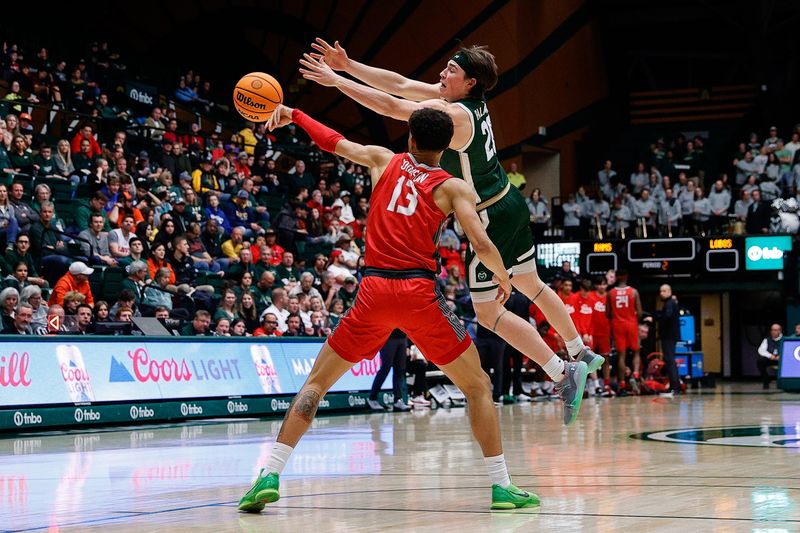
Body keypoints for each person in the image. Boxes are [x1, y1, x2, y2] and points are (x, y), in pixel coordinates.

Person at [239, 105, 547, 512]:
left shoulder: (383, 160)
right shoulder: (454, 187)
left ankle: (270, 473)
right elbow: (482, 244)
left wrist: (295, 114)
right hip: (418, 293)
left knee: (315, 384)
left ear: (411, 139)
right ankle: (502, 486)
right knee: (477, 387)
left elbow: (333, 141)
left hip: (373, 291)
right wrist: (503, 277)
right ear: (447, 146)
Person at [303, 40, 601, 396]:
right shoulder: (464, 102)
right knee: (532, 284)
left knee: (489, 313)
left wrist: (336, 81)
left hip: (490, 215)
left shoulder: (456, 115)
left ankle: (562, 373)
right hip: (509, 201)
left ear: (470, 81)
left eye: (451, 71)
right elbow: (399, 84)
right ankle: (579, 349)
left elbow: (394, 105)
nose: (442, 74)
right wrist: (348, 65)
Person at [608, 271, 642, 393]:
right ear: (627, 277)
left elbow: (607, 313)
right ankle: (636, 374)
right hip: (631, 323)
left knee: (621, 356)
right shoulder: (633, 292)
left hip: (618, 325)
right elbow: (640, 312)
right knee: (636, 351)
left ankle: (622, 383)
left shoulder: (611, 293)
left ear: (616, 278)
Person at [367, 330, 411, 412]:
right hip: (387, 337)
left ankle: (398, 400)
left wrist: (407, 344)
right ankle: (372, 398)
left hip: (402, 337)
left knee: (400, 370)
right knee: (385, 368)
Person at [654, 284, 681, 397]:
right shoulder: (669, 304)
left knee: (670, 361)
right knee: (669, 360)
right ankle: (673, 387)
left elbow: (667, 316)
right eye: (660, 291)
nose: (662, 293)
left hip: (668, 336)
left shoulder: (669, 304)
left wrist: (656, 318)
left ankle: (674, 388)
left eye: (664, 291)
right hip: (670, 336)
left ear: (670, 292)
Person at [758, 324, 782, 389]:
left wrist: (781, 356)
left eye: (775, 330)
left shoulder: (784, 339)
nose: (773, 332)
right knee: (760, 361)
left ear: (779, 331)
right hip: (771, 359)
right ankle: (766, 380)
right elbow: (761, 350)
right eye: (772, 330)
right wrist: (770, 356)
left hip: (781, 360)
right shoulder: (767, 340)